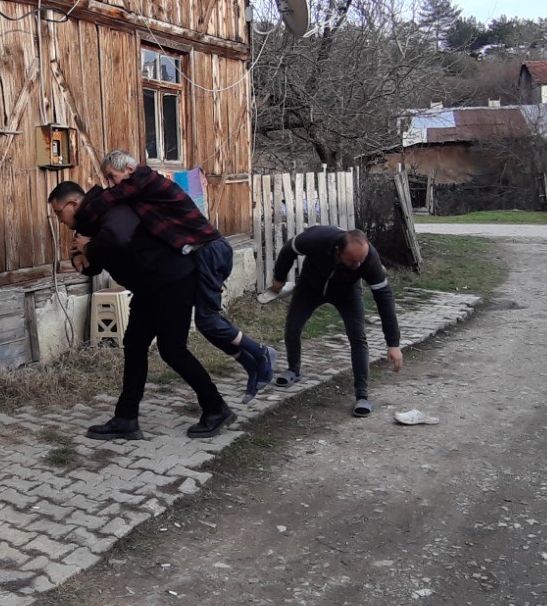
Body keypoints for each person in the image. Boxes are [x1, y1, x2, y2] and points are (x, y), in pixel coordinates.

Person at [71, 150, 276, 403]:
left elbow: (107, 200)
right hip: (199, 254)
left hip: (209, 250)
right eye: (107, 180)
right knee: (205, 324)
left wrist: (82, 220)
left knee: (208, 322)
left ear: (129, 171)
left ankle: (262, 353)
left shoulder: (144, 180)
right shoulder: (140, 192)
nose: (110, 184)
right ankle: (252, 365)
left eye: (112, 177)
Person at [48, 181, 235, 440]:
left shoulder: (111, 207)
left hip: (173, 280)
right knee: (135, 345)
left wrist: (89, 247)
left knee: (173, 350)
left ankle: (216, 408)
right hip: (149, 287)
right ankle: (126, 418)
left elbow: (117, 238)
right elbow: (99, 258)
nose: (59, 220)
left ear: (73, 204)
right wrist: (82, 261)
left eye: (59, 212)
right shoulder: (88, 224)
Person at [268, 226, 403, 417]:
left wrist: (393, 343)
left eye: (361, 260)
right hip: (310, 287)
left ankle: (362, 396)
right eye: (353, 260)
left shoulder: (369, 260)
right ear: (338, 251)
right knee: (292, 328)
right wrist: (279, 278)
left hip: (347, 293)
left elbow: (384, 298)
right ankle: (294, 370)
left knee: (358, 339)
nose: (358, 265)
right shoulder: (317, 239)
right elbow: (289, 249)